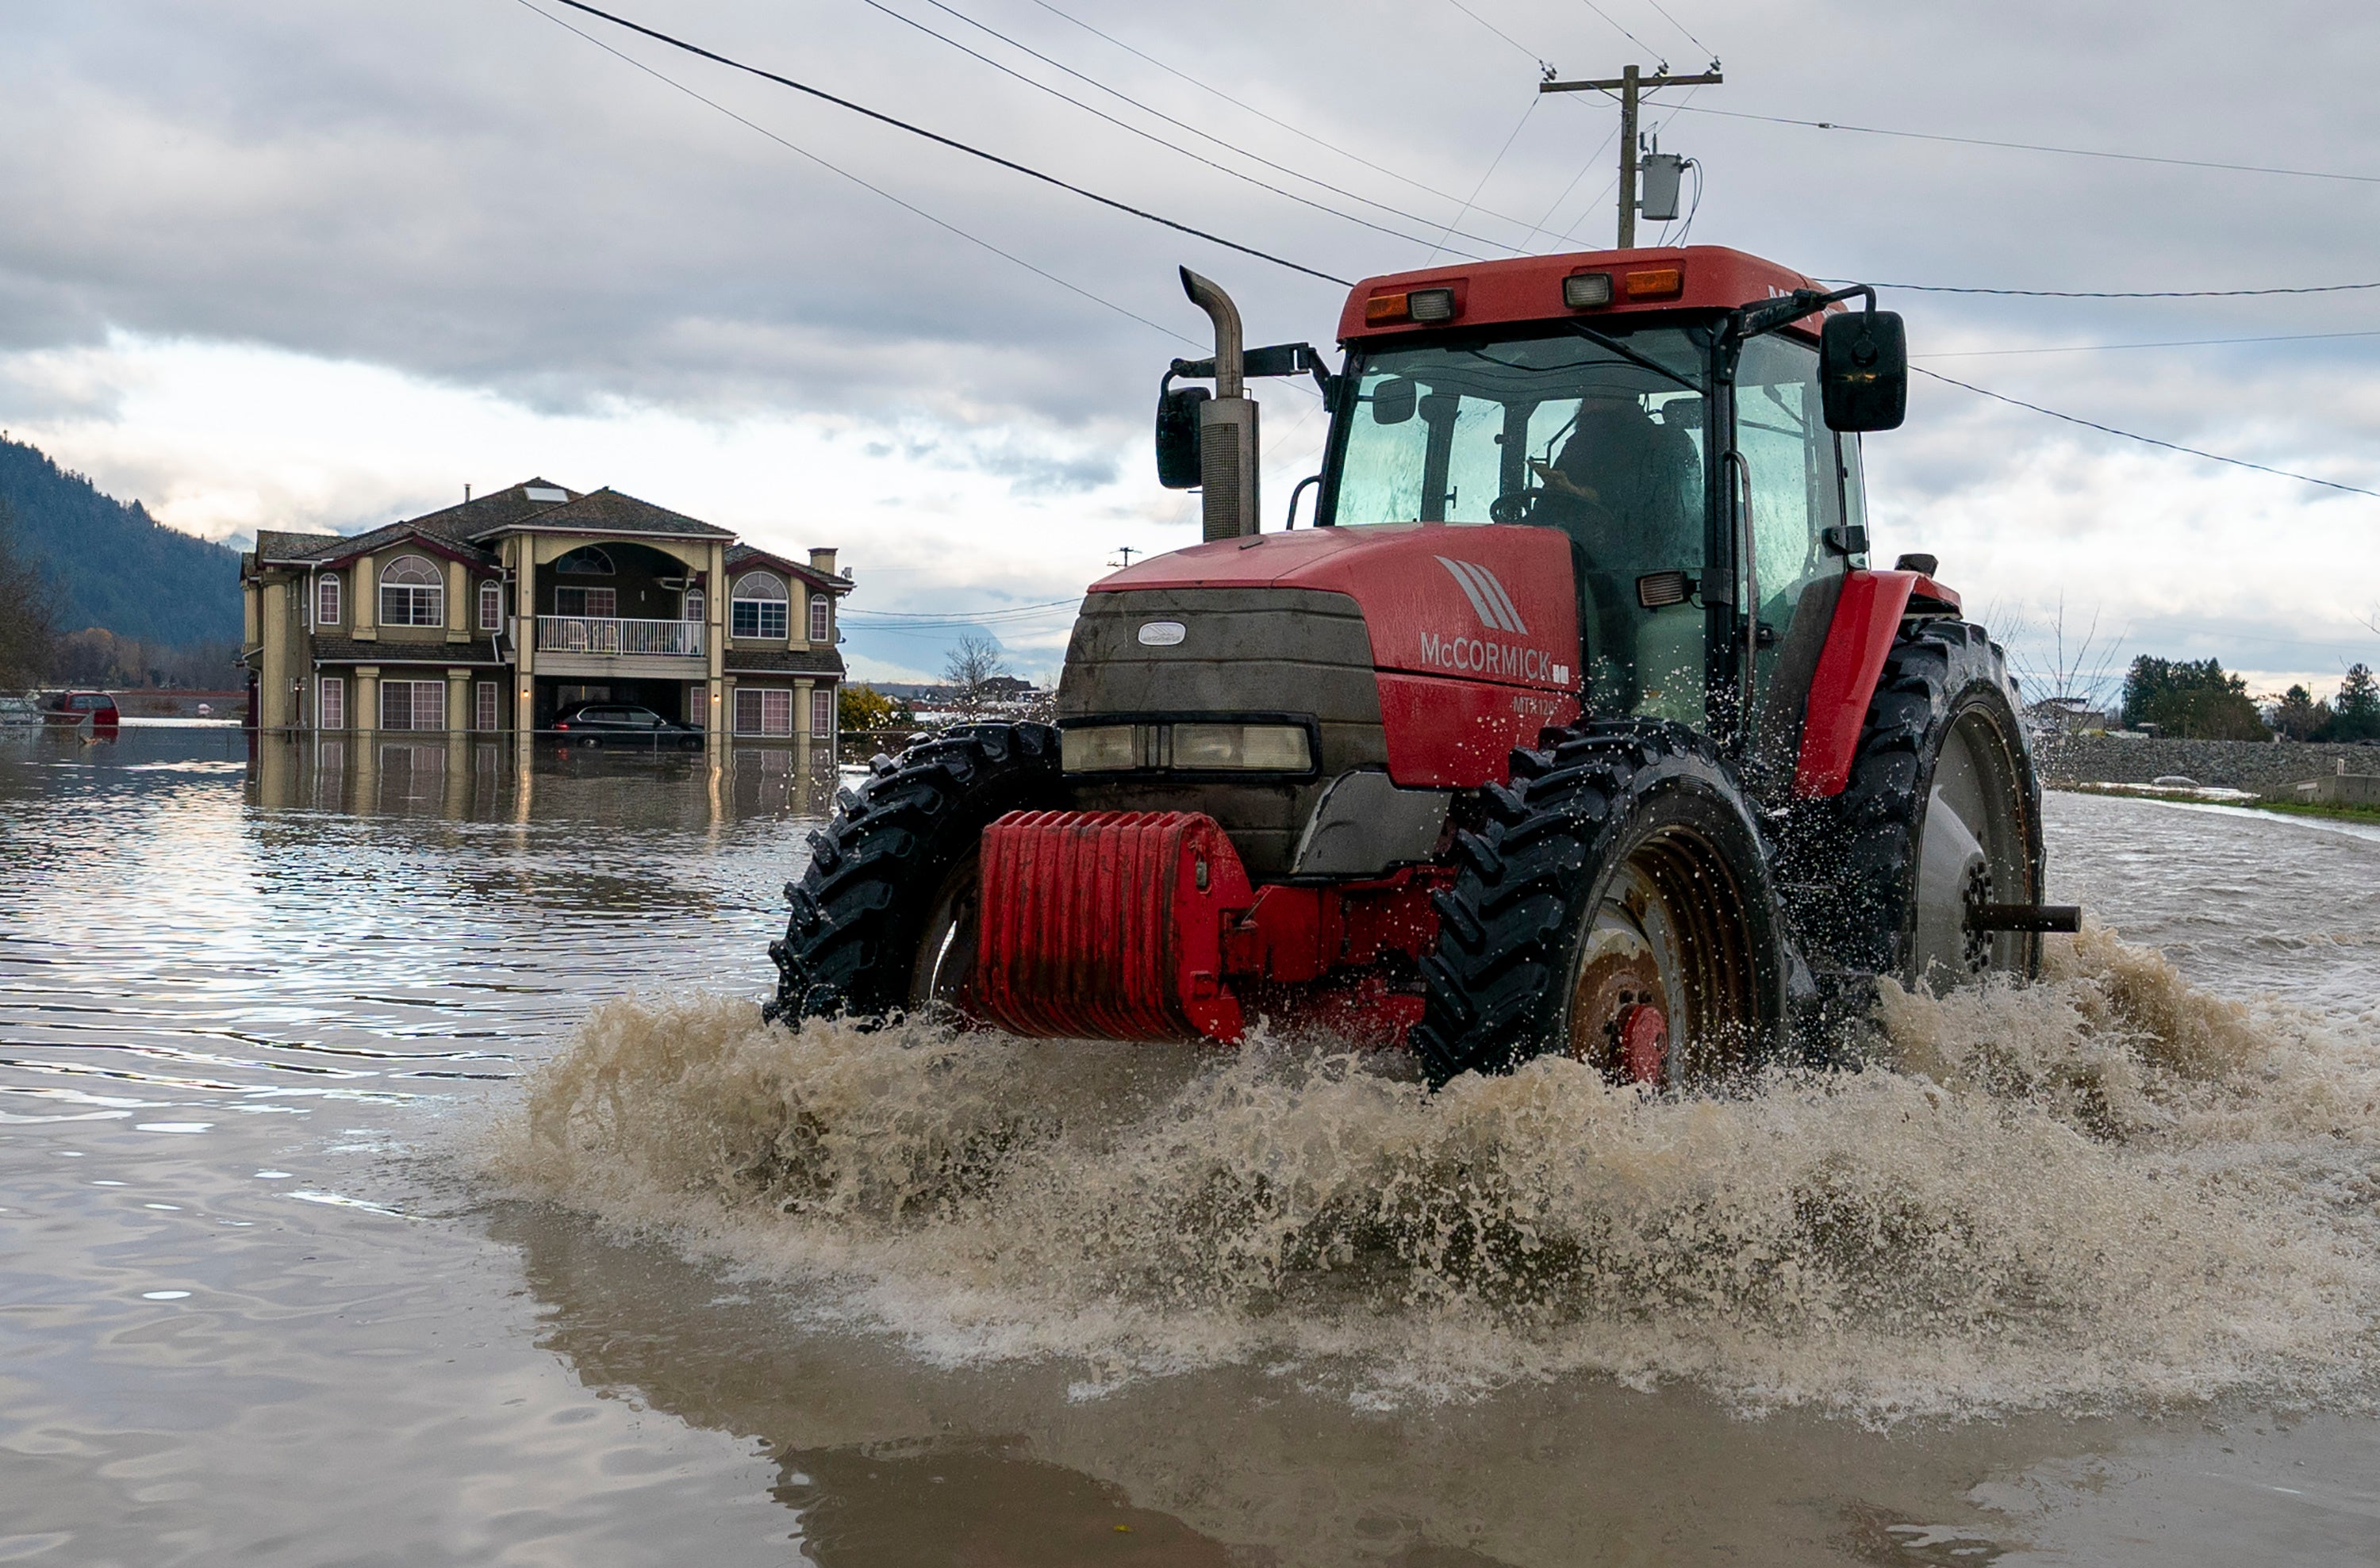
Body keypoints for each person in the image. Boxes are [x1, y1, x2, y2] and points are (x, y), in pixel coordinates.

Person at [1526, 389, 1699, 569]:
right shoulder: (1578, 445)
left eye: (1594, 395)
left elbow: (1649, 508)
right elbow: (1549, 507)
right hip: (1571, 559)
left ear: (1621, 395)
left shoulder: (1663, 443)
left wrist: (1582, 494)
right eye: (1585, 397)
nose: (1585, 404)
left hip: (1641, 569)